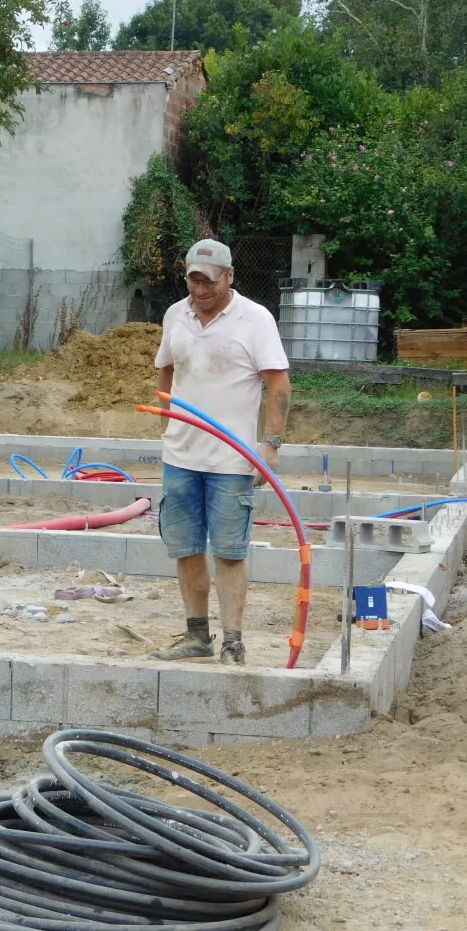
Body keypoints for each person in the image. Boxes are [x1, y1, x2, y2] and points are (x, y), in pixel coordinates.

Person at [150, 239, 291, 665]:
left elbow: (278, 385)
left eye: (209, 280)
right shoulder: (176, 314)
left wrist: (271, 444)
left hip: (232, 460)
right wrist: (166, 420)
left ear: (229, 277)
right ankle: (197, 637)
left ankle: (233, 642)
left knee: (229, 552)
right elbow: (165, 367)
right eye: (194, 279)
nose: (201, 288)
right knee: (186, 547)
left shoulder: (255, 319)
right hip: (181, 457)